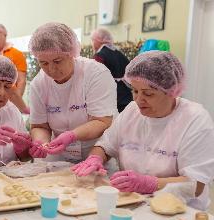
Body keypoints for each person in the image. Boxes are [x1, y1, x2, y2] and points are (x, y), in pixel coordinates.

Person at [72, 51, 214, 211]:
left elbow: (196, 185)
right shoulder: (132, 111)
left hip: (181, 211)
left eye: (148, 94)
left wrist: (150, 183)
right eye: (135, 91)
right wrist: (95, 159)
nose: (139, 100)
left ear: (172, 91)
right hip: (133, 202)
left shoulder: (194, 119)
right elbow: (105, 146)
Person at [28, 22, 117, 163]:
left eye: (57, 61)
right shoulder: (39, 84)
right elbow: (40, 126)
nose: (51, 69)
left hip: (95, 155)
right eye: (43, 63)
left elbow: (102, 121)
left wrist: (72, 136)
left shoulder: (95, 74)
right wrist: (41, 143)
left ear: (71, 53)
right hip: (58, 158)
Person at [0, 24, 29, 113]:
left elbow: (21, 80)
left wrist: (15, 103)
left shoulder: (16, 54)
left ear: (5, 35)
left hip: (10, 101)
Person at [91, 28, 132, 112]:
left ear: (99, 40)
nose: (92, 43)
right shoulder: (120, 53)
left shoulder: (100, 56)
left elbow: (96, 78)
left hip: (112, 97)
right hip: (126, 95)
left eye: (93, 40)